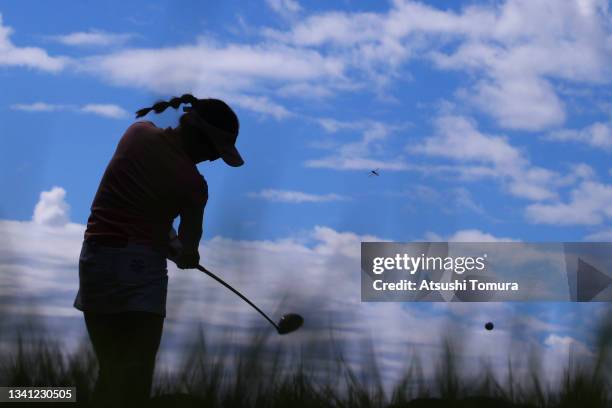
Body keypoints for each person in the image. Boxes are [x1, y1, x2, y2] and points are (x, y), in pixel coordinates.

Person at [73, 94, 243, 407]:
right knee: (136, 379)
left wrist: (169, 242)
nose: (214, 159)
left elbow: (141, 208)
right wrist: (187, 256)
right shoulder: (194, 185)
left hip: (94, 259)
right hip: (139, 270)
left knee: (111, 373)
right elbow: (188, 248)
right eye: (215, 151)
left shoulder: (136, 134)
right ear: (199, 138)